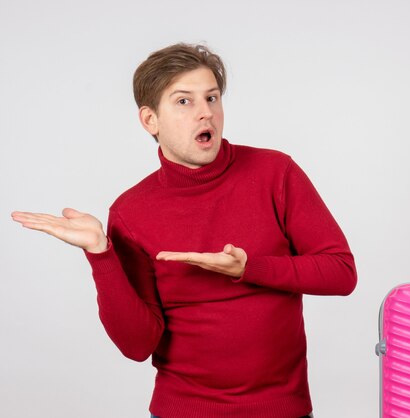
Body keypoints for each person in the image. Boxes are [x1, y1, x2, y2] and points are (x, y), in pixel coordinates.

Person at [11, 43, 357, 418]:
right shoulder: (130, 213)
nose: (206, 112)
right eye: (184, 101)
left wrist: (248, 269)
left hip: (281, 409)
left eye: (212, 97)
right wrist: (100, 253)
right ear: (150, 120)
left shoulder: (275, 172)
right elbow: (137, 344)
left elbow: (341, 272)